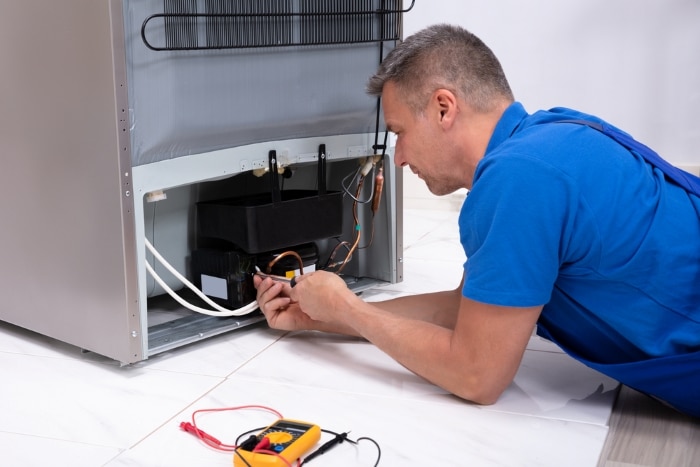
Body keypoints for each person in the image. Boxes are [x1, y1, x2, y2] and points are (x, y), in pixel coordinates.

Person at [253, 24, 700, 418]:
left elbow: (476, 376)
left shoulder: (517, 179)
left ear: (444, 108)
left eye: (400, 133)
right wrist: (319, 316)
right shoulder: (552, 136)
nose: (401, 158)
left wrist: (349, 308)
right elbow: (464, 308)